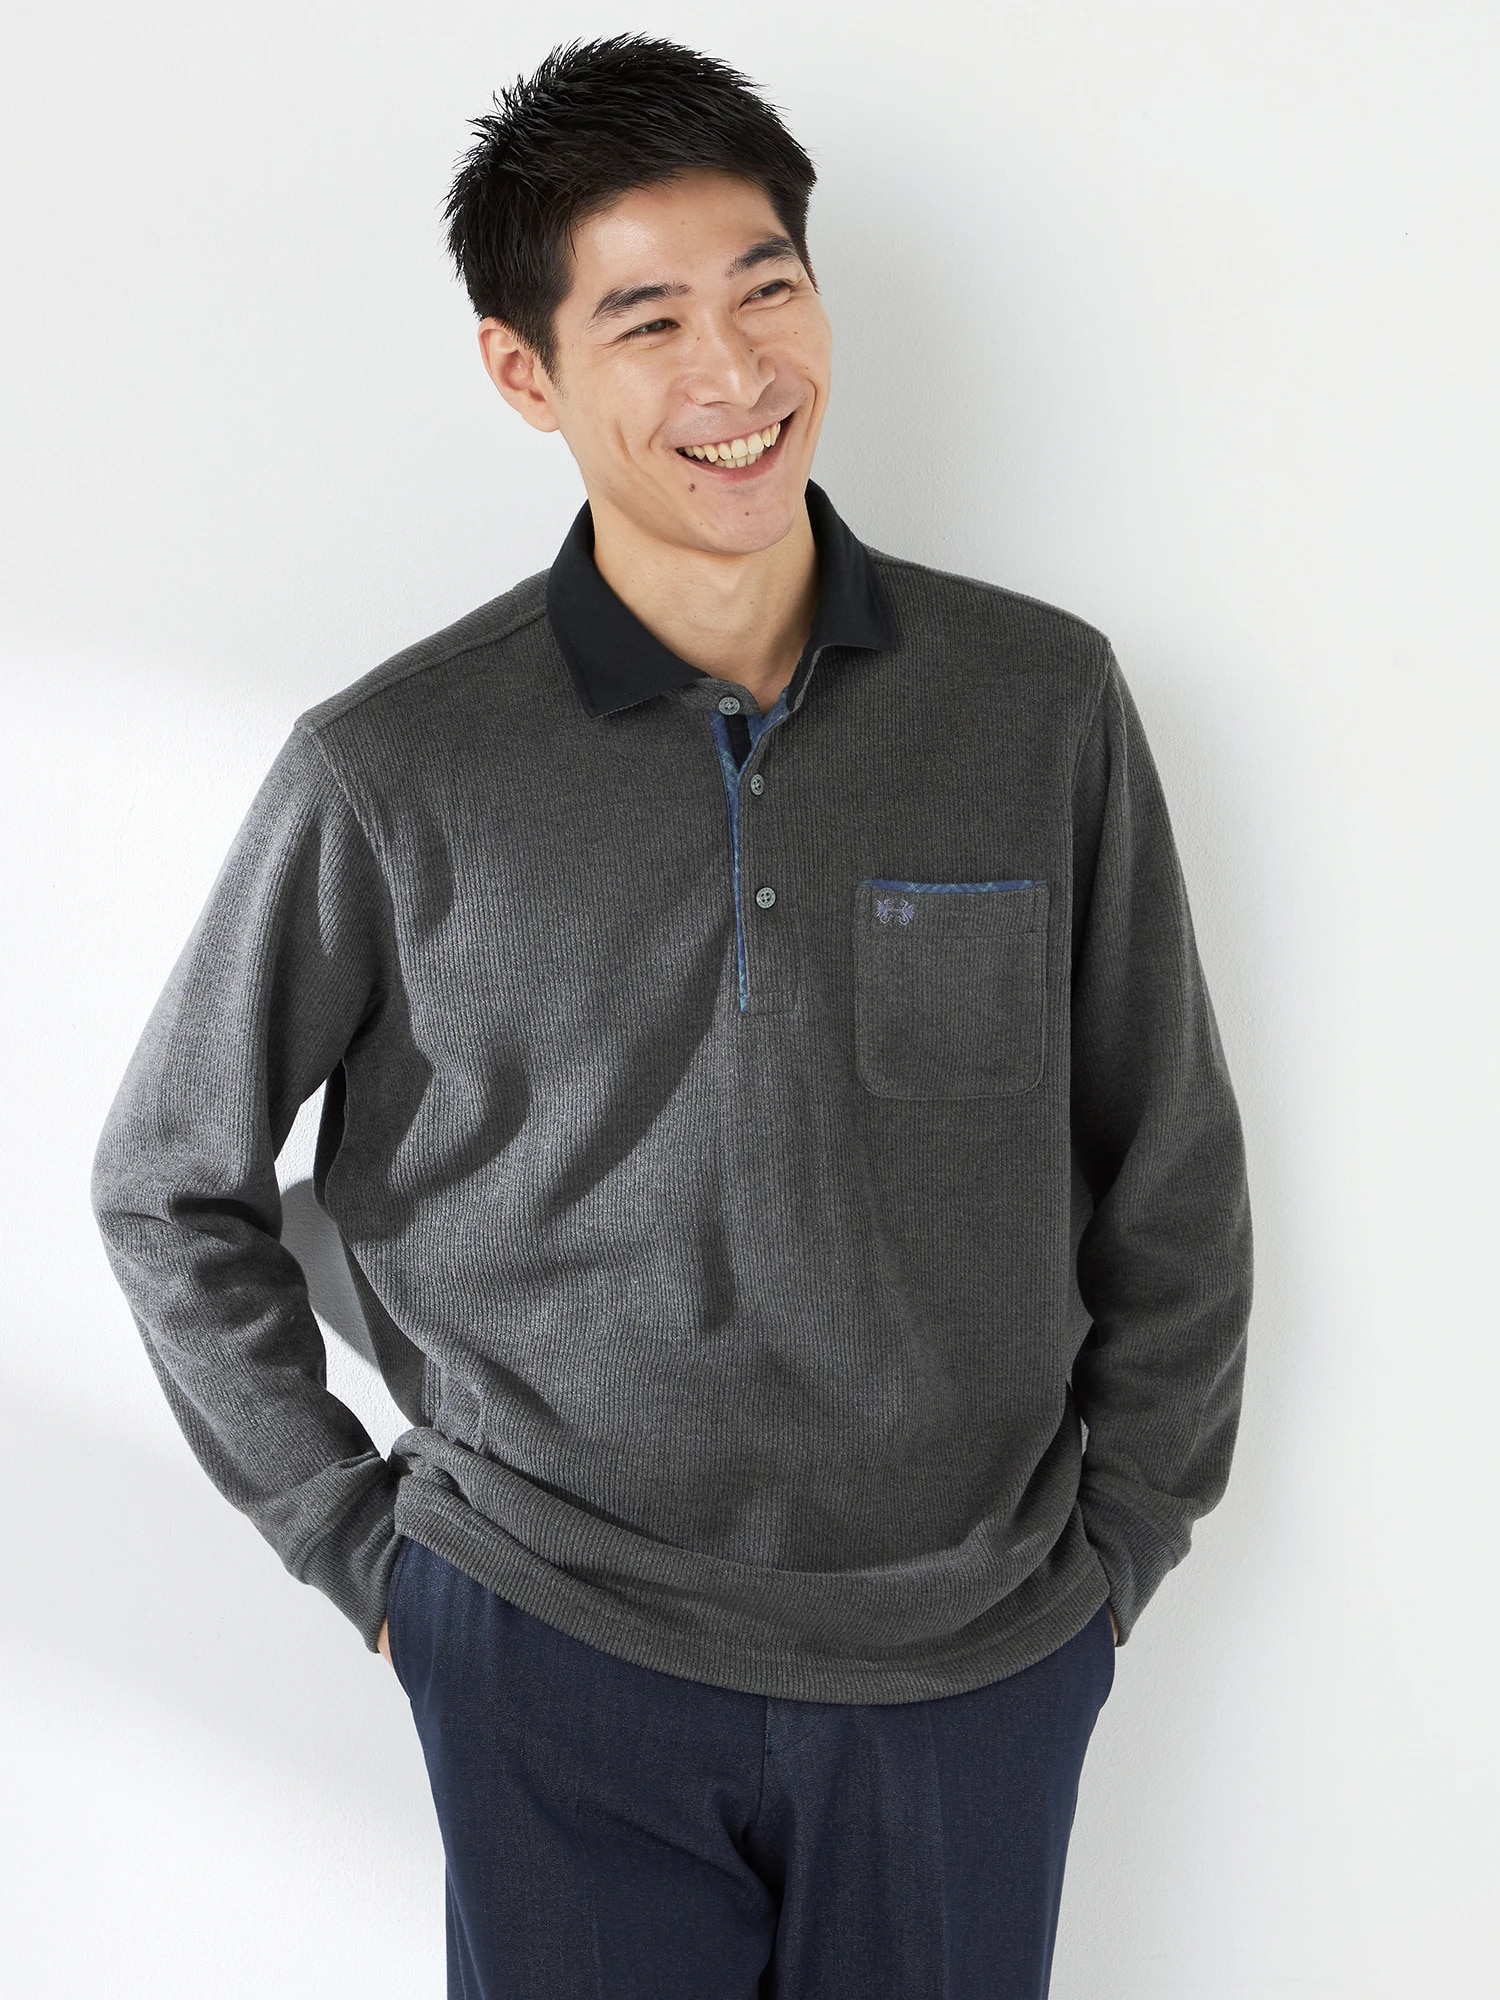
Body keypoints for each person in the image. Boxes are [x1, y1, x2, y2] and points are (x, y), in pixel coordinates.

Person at [91, 32, 1253, 2000]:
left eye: (765, 287)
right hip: (554, 1645)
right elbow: (167, 1182)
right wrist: (363, 1551)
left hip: (972, 1661)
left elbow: (1172, 1162)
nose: (733, 373)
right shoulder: (394, 766)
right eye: (647, 321)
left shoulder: (1037, 701)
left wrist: (1124, 1540)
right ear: (523, 370)